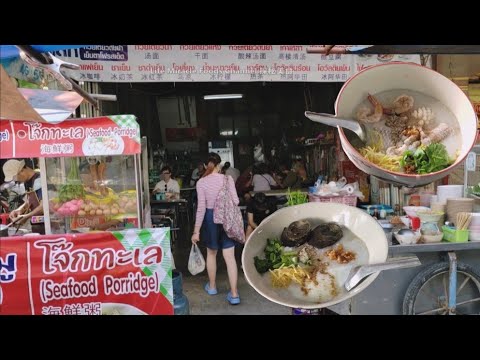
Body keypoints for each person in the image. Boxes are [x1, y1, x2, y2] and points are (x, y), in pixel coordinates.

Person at [191, 153, 241, 305]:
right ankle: (234, 294)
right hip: (226, 218)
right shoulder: (228, 179)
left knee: (211, 254)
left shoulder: (201, 183)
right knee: (230, 257)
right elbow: (236, 201)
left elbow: (200, 209)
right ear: (219, 165)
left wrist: (196, 231)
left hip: (210, 218)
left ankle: (212, 287)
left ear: (206, 165)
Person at [2, 159, 45, 234]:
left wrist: (26, 216)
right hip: (37, 225)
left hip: (46, 225)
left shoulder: (39, 180)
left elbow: (43, 206)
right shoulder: (27, 182)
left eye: (15, 177)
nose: (16, 181)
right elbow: (29, 201)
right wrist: (19, 210)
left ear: (22, 171)